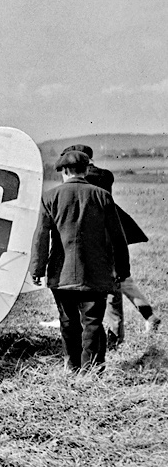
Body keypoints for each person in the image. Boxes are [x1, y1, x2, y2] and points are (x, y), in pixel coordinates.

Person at [31, 150, 131, 371]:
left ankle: (71, 365)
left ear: (64, 171)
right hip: (95, 273)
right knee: (93, 323)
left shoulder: (49, 197)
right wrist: (122, 269)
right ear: (86, 170)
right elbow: (118, 238)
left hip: (62, 273)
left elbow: (41, 236)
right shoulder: (102, 196)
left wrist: (37, 269)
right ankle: (92, 370)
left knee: (68, 323)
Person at [60, 144, 156, 339]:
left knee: (113, 285)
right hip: (111, 235)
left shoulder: (85, 178)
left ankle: (116, 332)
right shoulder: (105, 175)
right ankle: (127, 326)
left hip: (94, 238)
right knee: (118, 282)